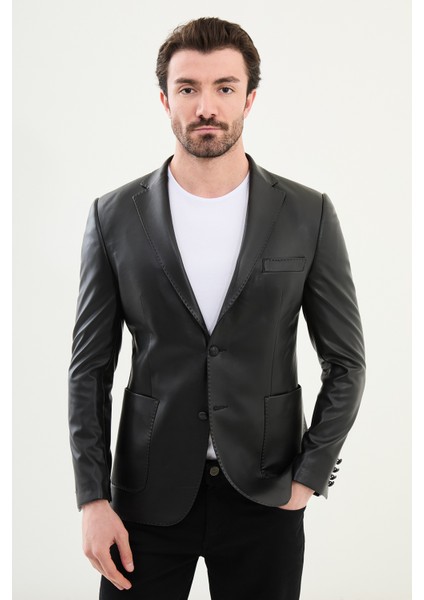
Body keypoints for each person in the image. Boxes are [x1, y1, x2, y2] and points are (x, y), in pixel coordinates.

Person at [68, 17, 366, 600]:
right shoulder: (114, 216)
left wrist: (309, 476)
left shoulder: (308, 214)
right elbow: (89, 370)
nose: (206, 107)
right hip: (145, 499)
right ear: (165, 99)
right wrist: (92, 499)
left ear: (249, 98)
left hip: (266, 495)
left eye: (225, 87)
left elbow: (347, 363)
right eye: (188, 88)